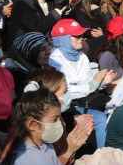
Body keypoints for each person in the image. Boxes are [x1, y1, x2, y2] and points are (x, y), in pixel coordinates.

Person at [0, 85, 105, 165]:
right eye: (55, 119)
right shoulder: (26, 162)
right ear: (33, 124)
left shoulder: (46, 145)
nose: (60, 123)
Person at [48, 18, 117, 148]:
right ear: (63, 39)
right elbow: (65, 91)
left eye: (82, 35)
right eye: (76, 36)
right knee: (100, 119)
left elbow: (89, 83)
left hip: (86, 101)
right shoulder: (54, 60)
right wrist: (94, 84)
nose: (81, 38)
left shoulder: (82, 57)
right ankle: (102, 154)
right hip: (66, 107)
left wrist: (103, 81)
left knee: (115, 107)